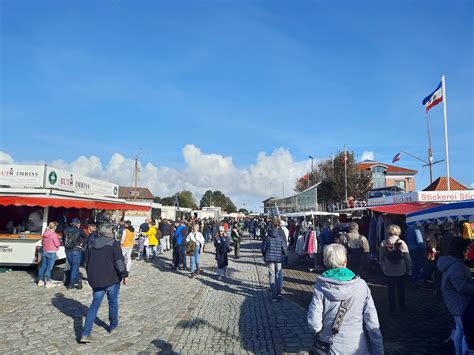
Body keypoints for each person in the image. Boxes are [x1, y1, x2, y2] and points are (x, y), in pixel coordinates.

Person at [308, 244, 384, 355]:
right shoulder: (361, 285)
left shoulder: (321, 286)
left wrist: (321, 333)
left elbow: (314, 324)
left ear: (325, 261)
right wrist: (378, 350)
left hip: (330, 347)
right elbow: (372, 323)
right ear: (345, 261)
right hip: (358, 347)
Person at [80, 223, 128, 343]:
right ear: (110, 233)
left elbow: (85, 262)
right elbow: (119, 262)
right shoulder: (114, 243)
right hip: (111, 278)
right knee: (112, 302)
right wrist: (124, 274)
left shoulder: (91, 244)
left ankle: (85, 333)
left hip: (95, 278)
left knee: (94, 305)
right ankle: (113, 325)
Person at [437, 238, 474, 355]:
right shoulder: (456, 266)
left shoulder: (451, 262)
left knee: (460, 329)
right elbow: (462, 287)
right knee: (465, 332)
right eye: (467, 249)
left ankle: (458, 352)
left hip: (455, 302)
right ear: (460, 250)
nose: (468, 251)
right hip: (459, 303)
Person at [379, 224, 412, 314]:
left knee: (391, 290)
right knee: (401, 288)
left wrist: (382, 267)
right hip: (400, 269)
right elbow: (407, 258)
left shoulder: (383, 243)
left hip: (388, 270)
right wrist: (409, 269)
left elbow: (381, 257)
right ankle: (402, 305)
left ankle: (392, 308)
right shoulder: (402, 242)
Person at [261, 218, 287, 302]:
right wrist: (284, 254)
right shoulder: (280, 236)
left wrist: (264, 255)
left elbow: (263, 248)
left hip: (270, 258)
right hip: (278, 258)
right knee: (278, 275)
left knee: (272, 276)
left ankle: (274, 296)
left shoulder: (268, 236)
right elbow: (284, 248)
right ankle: (279, 292)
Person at [63, 218, 86, 290]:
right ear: (77, 224)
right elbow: (86, 238)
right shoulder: (79, 230)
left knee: (73, 266)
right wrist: (80, 243)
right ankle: (71, 284)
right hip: (76, 250)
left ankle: (76, 280)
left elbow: (63, 239)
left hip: (67, 250)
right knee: (75, 268)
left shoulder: (65, 229)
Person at [38, 221, 61, 288]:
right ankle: (47, 281)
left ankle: (40, 280)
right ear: (54, 227)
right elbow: (57, 244)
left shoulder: (45, 233)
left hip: (45, 251)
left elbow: (42, 242)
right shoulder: (54, 235)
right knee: (49, 267)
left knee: (43, 266)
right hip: (52, 252)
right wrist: (59, 243)